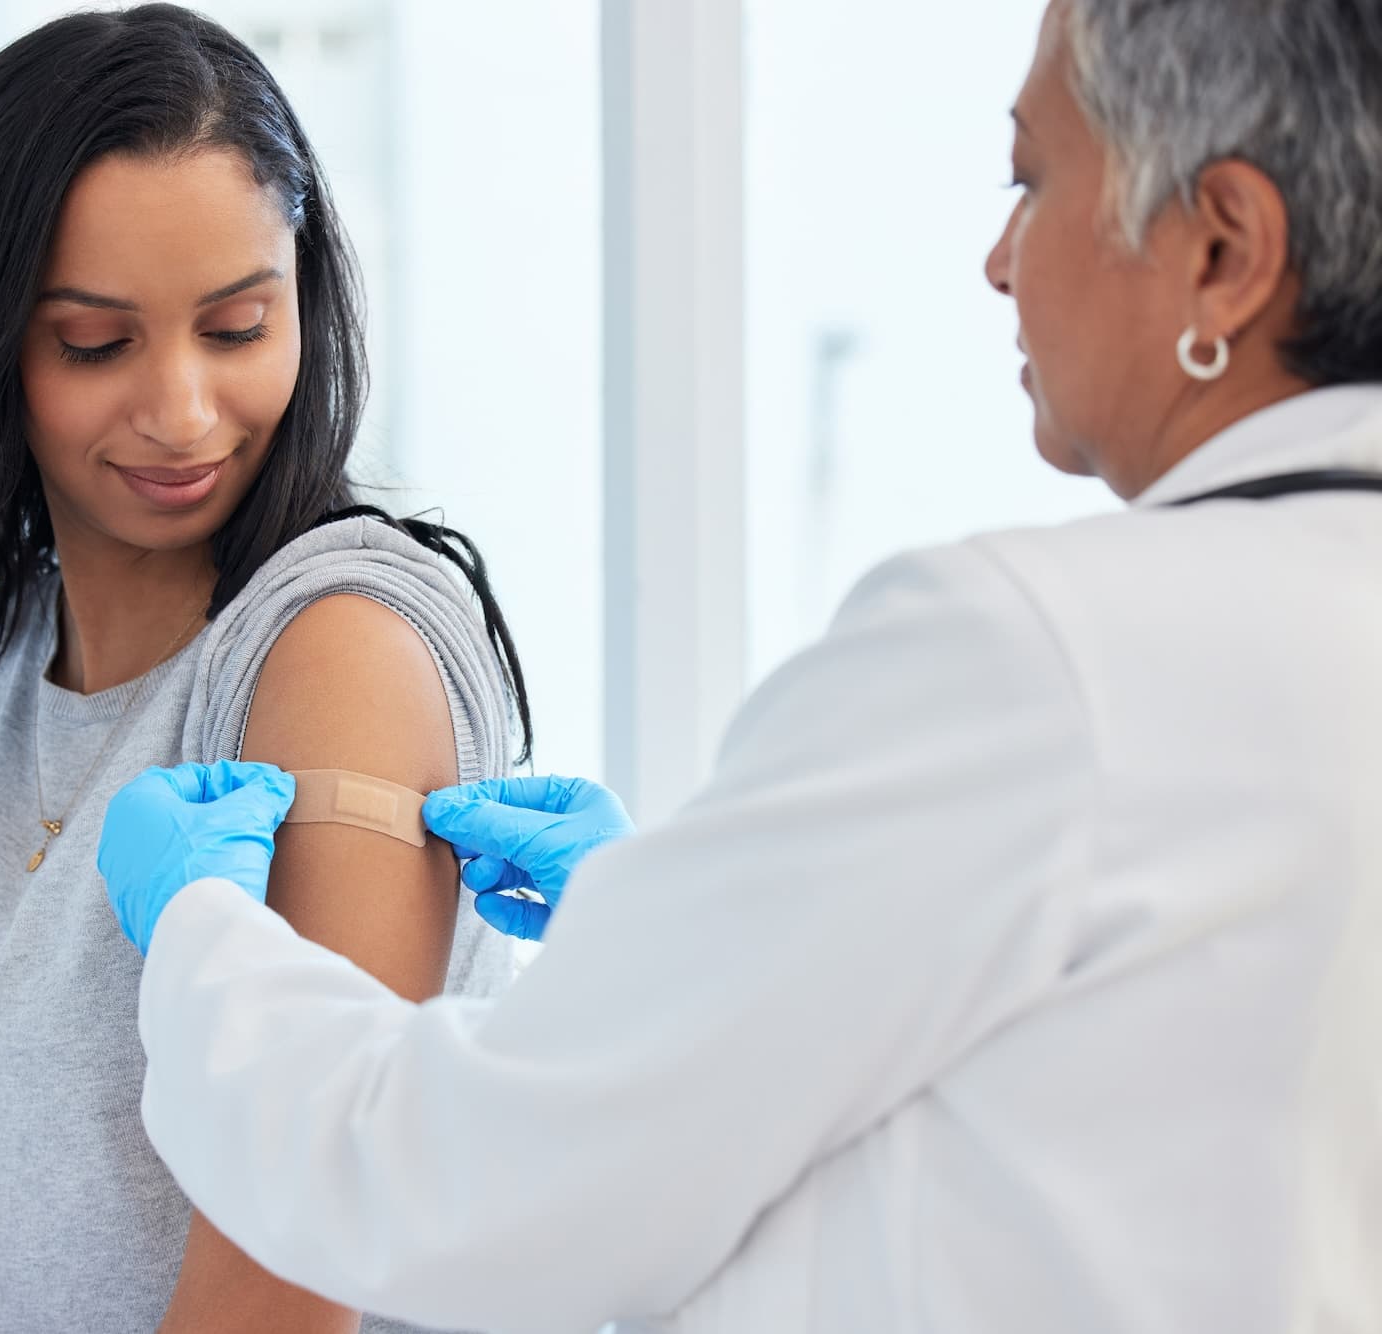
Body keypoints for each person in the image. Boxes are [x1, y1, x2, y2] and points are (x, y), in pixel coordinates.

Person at [94, 2, 1382, 1330]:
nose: (1001, 260)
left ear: (1224, 249)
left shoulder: (1039, 656)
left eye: (1032, 179)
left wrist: (204, 942)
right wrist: (664, 930)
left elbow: (483, 1187)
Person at [0, 8, 532, 1332]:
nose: (184, 411)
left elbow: (287, 1268)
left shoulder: (340, 648)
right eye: (97, 342)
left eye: (237, 326)